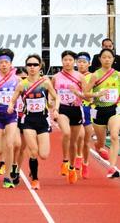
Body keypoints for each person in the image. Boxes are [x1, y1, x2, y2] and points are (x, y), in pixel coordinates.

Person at [8, 54, 59, 190]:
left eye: (35, 65)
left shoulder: (45, 83)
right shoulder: (22, 85)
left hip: (42, 121)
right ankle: (35, 179)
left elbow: (56, 97)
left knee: (44, 155)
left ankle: (33, 168)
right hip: (28, 120)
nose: (32, 67)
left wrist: (56, 109)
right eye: (29, 64)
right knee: (33, 151)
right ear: (26, 66)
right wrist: (11, 106)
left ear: (40, 66)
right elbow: (13, 99)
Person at [0, 48, 21, 188]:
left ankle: (7, 177)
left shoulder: (17, 79)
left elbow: (22, 94)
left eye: (7, 62)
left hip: (11, 115)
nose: (4, 65)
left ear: (11, 63)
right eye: (1, 62)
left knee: (10, 145)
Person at [52, 50, 87, 184]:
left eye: (70, 60)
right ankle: (65, 161)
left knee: (74, 141)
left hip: (76, 109)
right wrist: (54, 108)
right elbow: (52, 95)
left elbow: (85, 95)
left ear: (74, 62)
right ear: (62, 61)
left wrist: (76, 92)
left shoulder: (80, 77)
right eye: (65, 60)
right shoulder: (56, 77)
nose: (67, 62)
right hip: (63, 109)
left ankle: (72, 168)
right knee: (66, 133)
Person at [85, 49, 120, 178]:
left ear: (113, 59)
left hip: (114, 109)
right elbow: (86, 93)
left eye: (109, 57)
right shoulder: (95, 75)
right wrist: (97, 94)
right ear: (100, 59)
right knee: (100, 143)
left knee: (115, 136)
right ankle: (98, 147)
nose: (107, 59)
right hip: (99, 111)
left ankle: (111, 167)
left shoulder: (118, 75)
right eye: (104, 57)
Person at [76, 52, 93, 179]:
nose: (81, 64)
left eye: (84, 62)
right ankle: (78, 156)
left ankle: (85, 164)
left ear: (89, 63)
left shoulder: (93, 77)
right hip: (75, 108)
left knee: (87, 141)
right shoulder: (72, 76)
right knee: (77, 137)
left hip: (87, 110)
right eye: (79, 62)